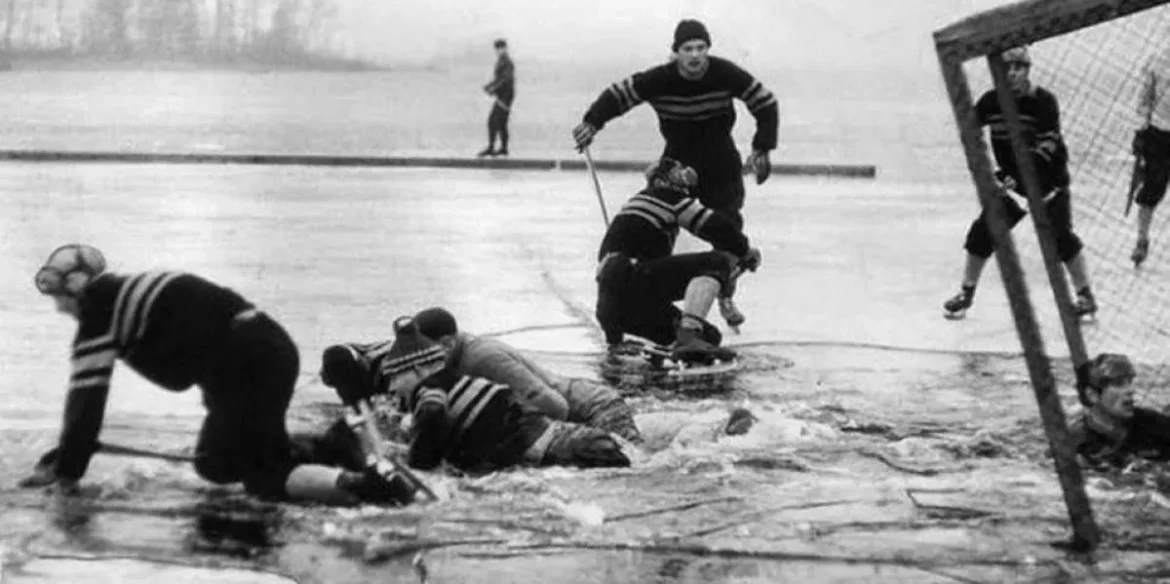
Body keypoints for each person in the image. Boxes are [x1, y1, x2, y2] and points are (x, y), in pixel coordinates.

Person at [17, 244, 419, 507]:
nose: (59, 309)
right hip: (270, 346)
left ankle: (364, 488)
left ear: (76, 290)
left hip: (242, 366)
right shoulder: (134, 287)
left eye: (59, 299)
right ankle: (333, 444)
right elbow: (180, 371)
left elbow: (86, 406)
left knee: (262, 476)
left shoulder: (96, 319)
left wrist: (66, 472)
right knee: (215, 463)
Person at [319, 316, 631, 472]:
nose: (391, 387)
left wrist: (418, 466)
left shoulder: (445, 381)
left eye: (395, 378)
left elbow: (432, 415)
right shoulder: (435, 376)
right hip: (576, 440)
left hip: (580, 433)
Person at [571, 18, 779, 230]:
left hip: (721, 159)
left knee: (727, 223)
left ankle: (731, 260)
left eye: (701, 48)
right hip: (677, 160)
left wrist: (762, 148)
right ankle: (646, 260)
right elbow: (618, 96)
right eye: (687, 49)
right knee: (655, 217)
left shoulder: (725, 73)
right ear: (677, 52)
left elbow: (765, 103)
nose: (695, 55)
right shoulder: (660, 79)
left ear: (708, 49)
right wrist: (591, 123)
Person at [942, 46, 1097, 321]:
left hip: (1049, 183)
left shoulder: (1043, 100)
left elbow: (1049, 144)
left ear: (1027, 70)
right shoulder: (990, 101)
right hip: (1012, 184)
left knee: (1061, 239)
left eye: (1018, 68)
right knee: (981, 233)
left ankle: (1085, 296)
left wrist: (1020, 174)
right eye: (1006, 68)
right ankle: (966, 293)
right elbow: (970, 131)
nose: (1012, 73)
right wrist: (987, 172)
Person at [595, 157, 761, 364]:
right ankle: (688, 336)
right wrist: (745, 250)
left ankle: (679, 346)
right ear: (665, 179)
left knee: (710, 338)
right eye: (679, 171)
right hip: (632, 281)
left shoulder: (637, 204)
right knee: (716, 262)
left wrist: (614, 337)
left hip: (615, 307)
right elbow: (718, 229)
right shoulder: (665, 197)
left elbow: (610, 279)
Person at [411, 306, 642, 444]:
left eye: (423, 353)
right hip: (581, 404)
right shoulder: (457, 352)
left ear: (447, 343)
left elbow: (556, 406)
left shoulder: (483, 358)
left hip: (597, 408)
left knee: (636, 466)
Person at [1070, 353, 1170, 469]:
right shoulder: (1076, 443)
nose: (1131, 390)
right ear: (1092, 395)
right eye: (1118, 383)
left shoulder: (1150, 423)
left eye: (1130, 382)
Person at [1130, 43, 1170, 267]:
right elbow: (1144, 100)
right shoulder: (1157, 60)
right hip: (1159, 133)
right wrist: (1141, 131)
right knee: (1152, 190)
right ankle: (1142, 239)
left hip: (1158, 130)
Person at [478, 38, 515, 157]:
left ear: (505, 48)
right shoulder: (502, 61)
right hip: (503, 96)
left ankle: (491, 147)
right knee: (501, 123)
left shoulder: (507, 62)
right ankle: (503, 148)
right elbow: (500, 79)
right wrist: (490, 86)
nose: (499, 51)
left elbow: (505, 80)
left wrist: (493, 89)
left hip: (505, 97)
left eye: (501, 48)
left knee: (493, 121)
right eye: (497, 49)